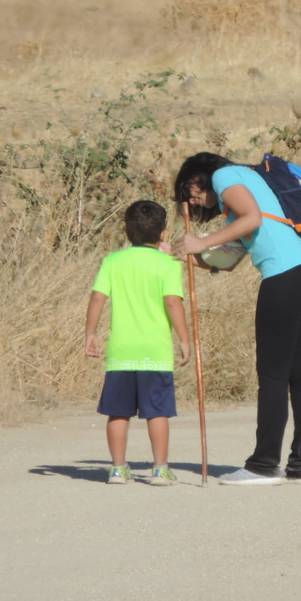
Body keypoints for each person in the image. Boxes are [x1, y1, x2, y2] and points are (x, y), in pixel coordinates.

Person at [172, 152, 301, 486]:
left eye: (190, 187)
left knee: (273, 376)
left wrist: (200, 241)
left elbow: (253, 219)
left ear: (203, 174)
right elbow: (226, 258)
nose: (191, 197)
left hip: (285, 278)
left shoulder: (226, 176)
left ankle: (263, 465)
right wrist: (186, 253)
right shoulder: (252, 189)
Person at [85, 200, 191, 486]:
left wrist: (90, 332)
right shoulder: (168, 264)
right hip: (154, 352)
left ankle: (118, 468)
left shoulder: (112, 262)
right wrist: (184, 338)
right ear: (163, 233)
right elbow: (172, 302)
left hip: (122, 351)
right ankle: (160, 469)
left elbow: (97, 297)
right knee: (157, 411)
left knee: (118, 412)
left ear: (126, 231)